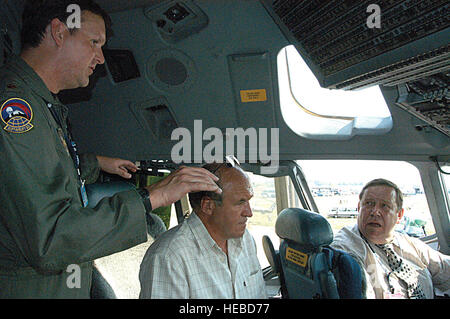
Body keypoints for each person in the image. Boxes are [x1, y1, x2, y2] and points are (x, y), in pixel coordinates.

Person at [0, 0, 220, 298]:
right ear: (58, 32)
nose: (101, 58)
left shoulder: (42, 102)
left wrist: (96, 163)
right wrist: (150, 197)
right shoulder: (15, 110)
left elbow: (42, 171)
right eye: (94, 42)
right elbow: (50, 239)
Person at [139, 163, 267, 299]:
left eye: (248, 201)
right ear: (208, 206)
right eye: (240, 203)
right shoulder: (169, 257)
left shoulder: (246, 240)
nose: (249, 213)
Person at [331, 178, 450, 299]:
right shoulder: (346, 250)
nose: (375, 212)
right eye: (369, 203)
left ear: (399, 215)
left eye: (384, 206)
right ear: (359, 208)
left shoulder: (409, 243)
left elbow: (444, 267)